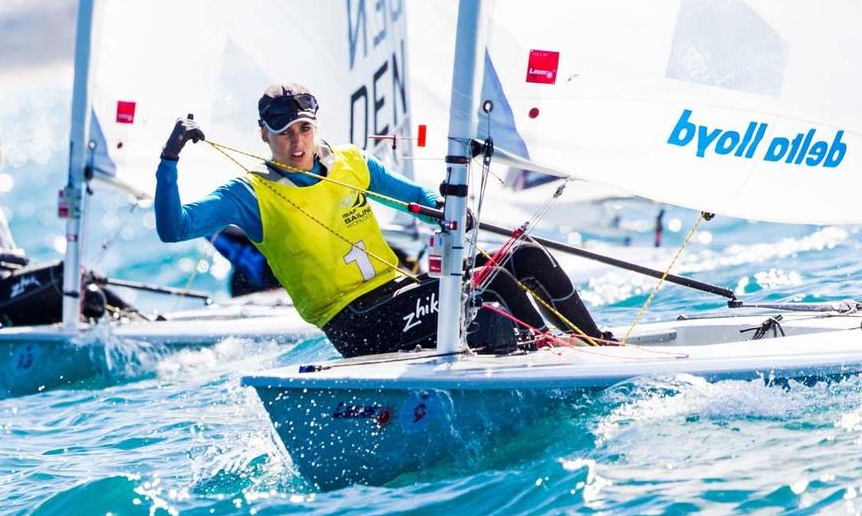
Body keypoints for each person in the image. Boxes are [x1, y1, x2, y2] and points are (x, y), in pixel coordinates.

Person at [155, 83, 606, 357]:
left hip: (399, 296)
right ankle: (547, 353)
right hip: (356, 325)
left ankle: (595, 344)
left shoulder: (351, 162)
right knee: (491, 289)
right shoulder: (249, 194)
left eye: (305, 129)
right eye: (285, 133)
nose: (297, 142)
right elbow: (173, 228)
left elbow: (415, 196)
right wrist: (169, 160)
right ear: (264, 135)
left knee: (526, 256)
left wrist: (447, 211)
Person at [0, 124, 130, 330]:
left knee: (86, 287)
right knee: (66, 276)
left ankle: (139, 325)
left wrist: (83, 274)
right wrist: (2, 255)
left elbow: (14, 268)